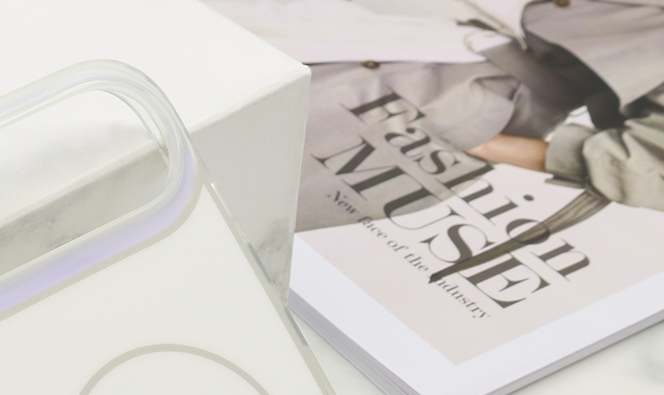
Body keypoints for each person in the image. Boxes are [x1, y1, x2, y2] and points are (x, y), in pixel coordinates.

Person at [206, 0, 664, 228]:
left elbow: (652, 167)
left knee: (211, 193)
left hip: (449, 91)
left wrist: (477, 138)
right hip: (379, 17)